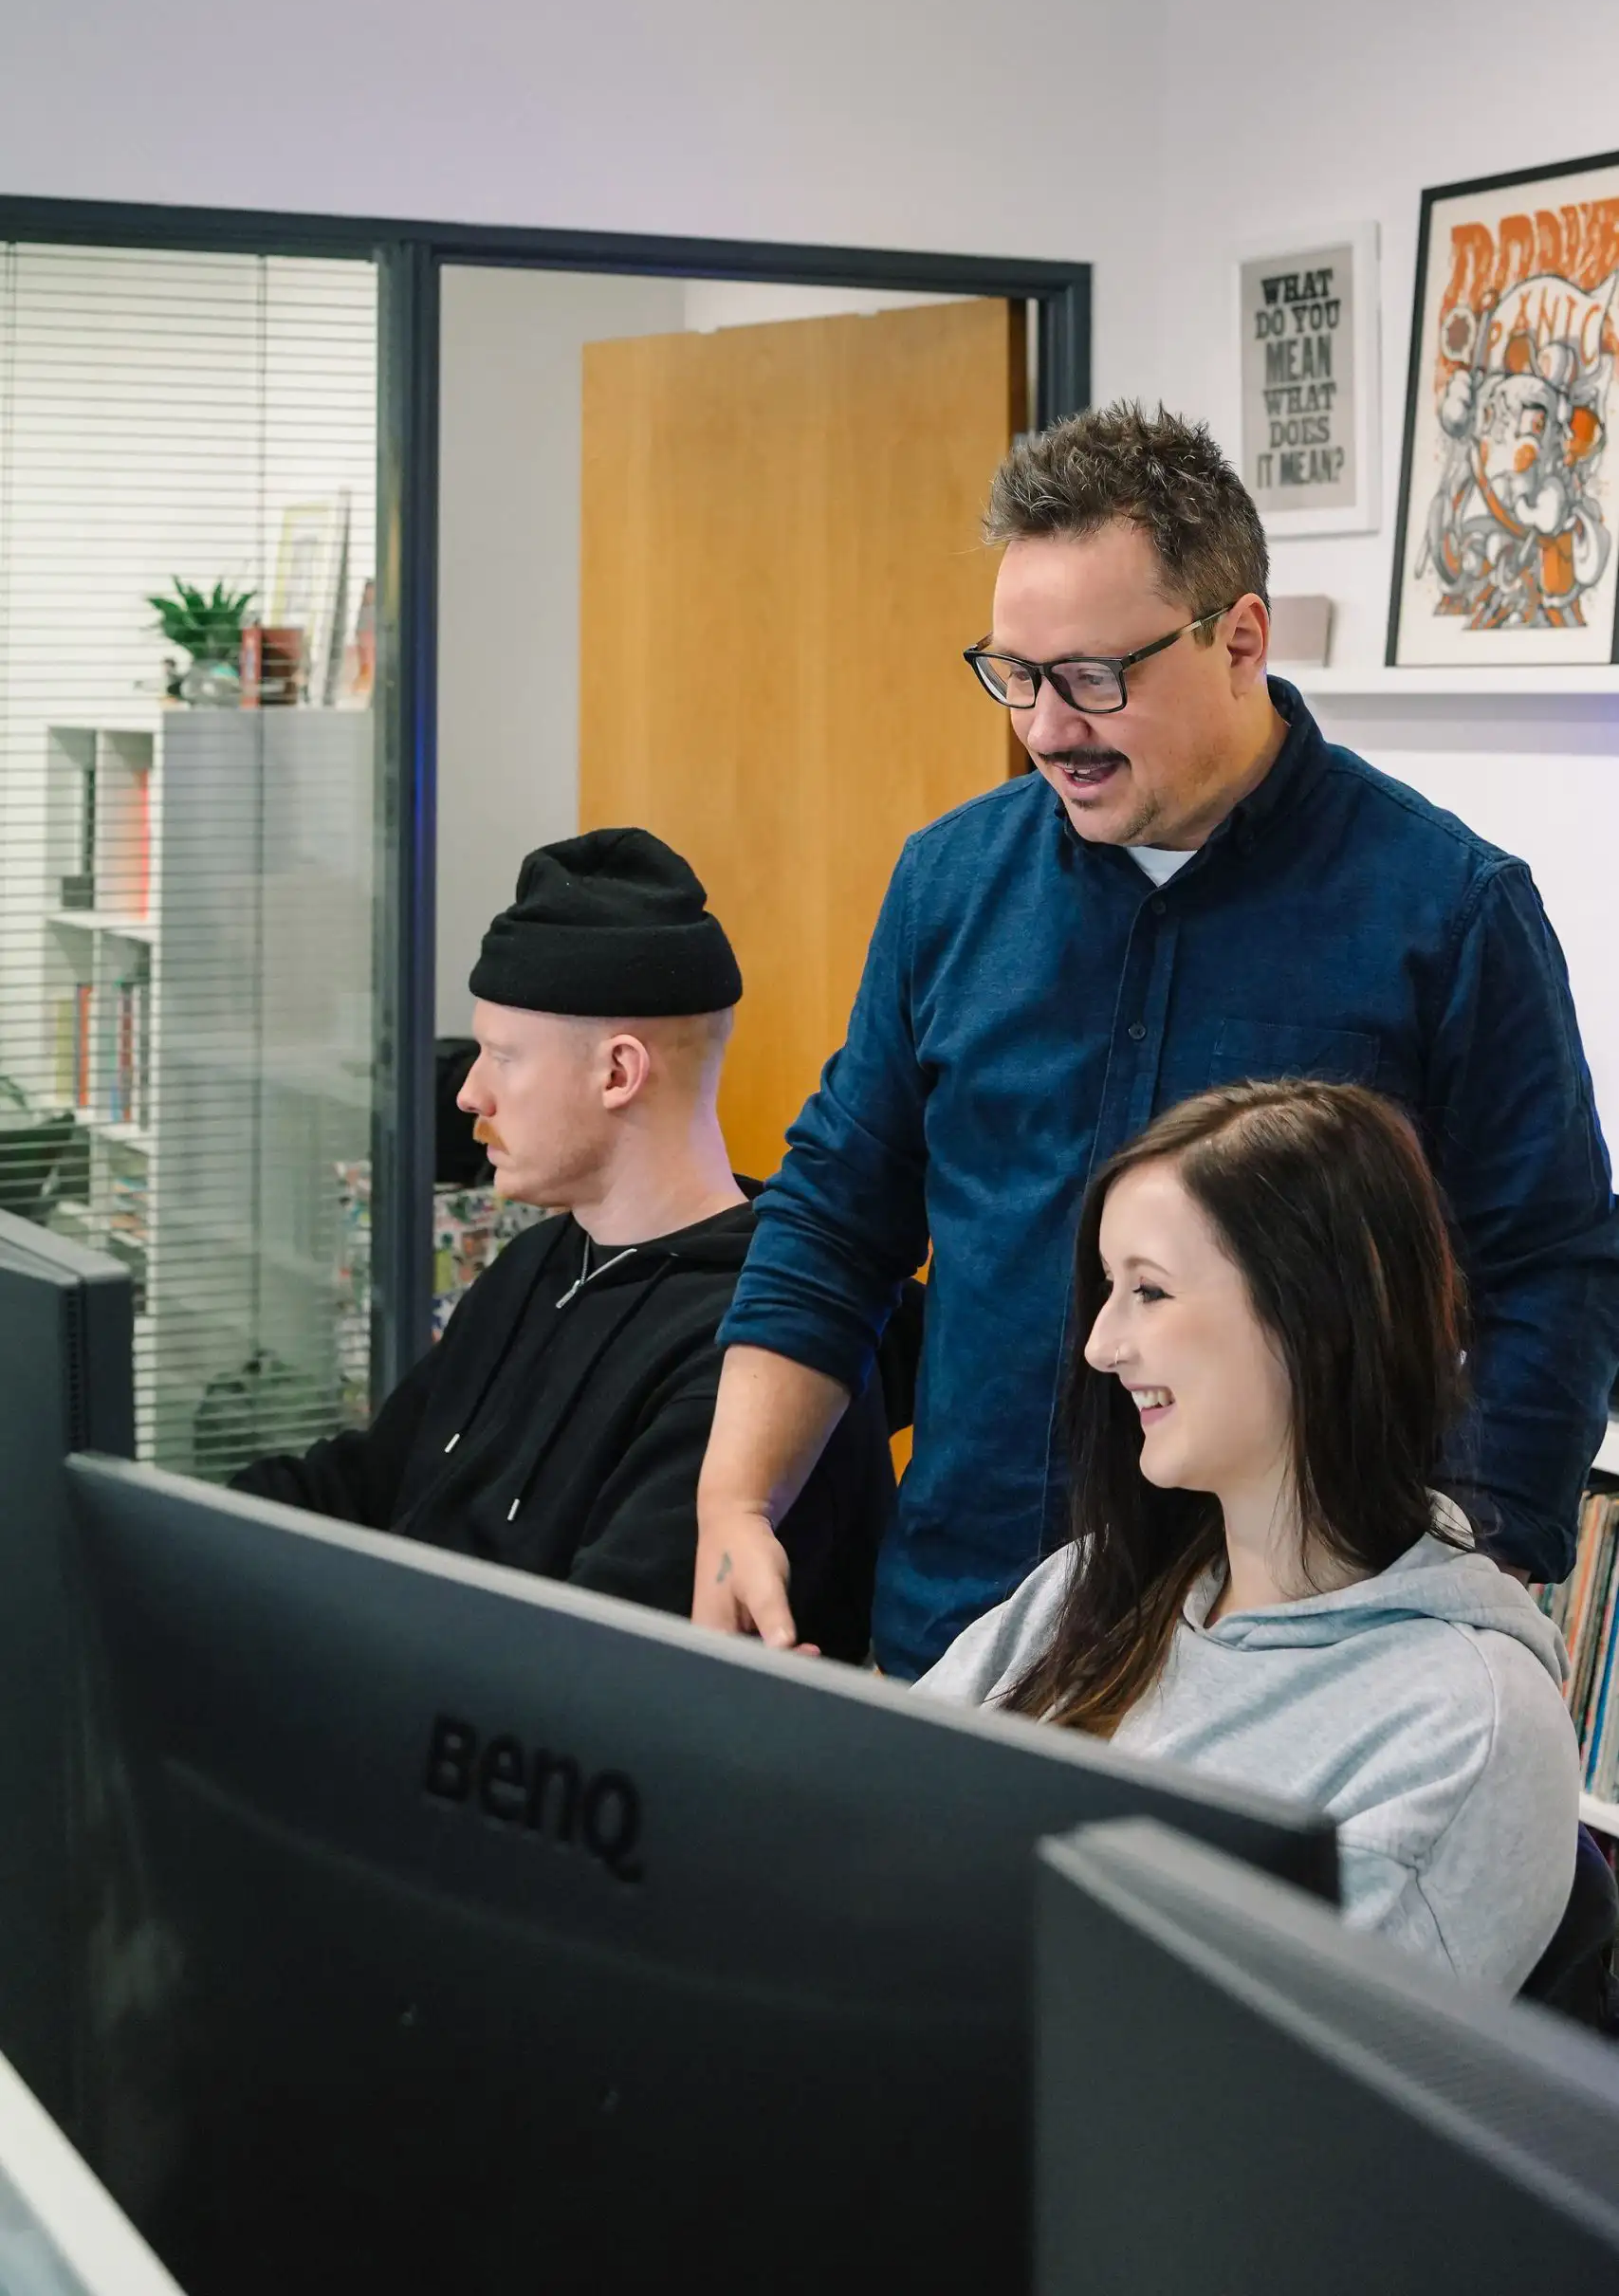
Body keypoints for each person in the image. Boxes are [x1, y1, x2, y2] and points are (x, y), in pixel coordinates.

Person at [693, 403, 1619, 1680]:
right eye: (1011, 675)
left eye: (1091, 677)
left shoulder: (1444, 912)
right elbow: (835, 1217)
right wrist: (736, 1499)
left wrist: (1469, 1568)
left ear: (1238, 636)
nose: (1042, 726)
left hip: (1288, 1662)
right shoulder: (948, 886)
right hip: (964, 1626)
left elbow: (1549, 1271)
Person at [916, 1079, 1581, 1988]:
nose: (1101, 1346)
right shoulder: (1091, 1589)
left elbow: (1271, 2094)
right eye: (1107, 1291)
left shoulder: (1466, 1726)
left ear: (1314, 1318)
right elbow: (874, 1828)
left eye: (1148, 1291)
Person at [231, 828, 892, 1658]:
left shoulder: (751, 1360)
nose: (469, 1094)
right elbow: (369, 1484)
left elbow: (581, 1673)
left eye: (502, 1059)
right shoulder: (536, 1264)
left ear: (617, 1073)